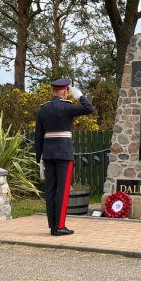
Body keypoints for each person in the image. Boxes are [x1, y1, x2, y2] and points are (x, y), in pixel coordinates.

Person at [35, 78, 95, 236]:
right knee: (62, 190)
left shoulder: (43, 109)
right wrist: (81, 96)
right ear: (64, 91)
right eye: (67, 90)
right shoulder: (67, 107)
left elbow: (38, 136)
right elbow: (89, 109)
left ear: (53, 91)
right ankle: (60, 226)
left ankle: (52, 226)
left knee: (50, 191)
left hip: (48, 154)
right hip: (63, 153)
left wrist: (38, 156)